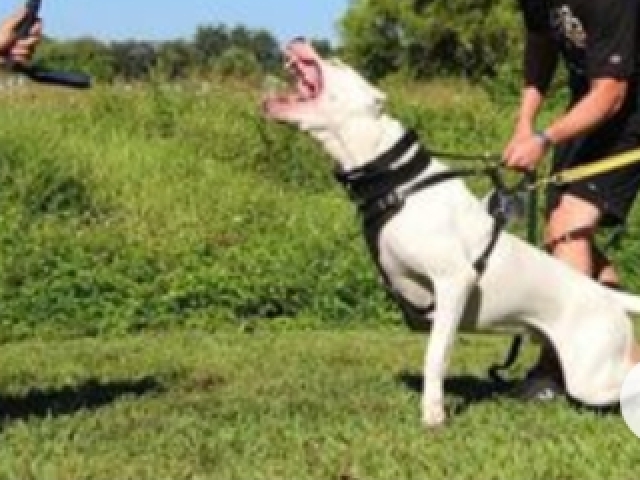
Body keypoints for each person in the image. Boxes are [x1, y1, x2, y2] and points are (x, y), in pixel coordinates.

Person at [503, 0, 640, 400]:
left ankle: (558, 366)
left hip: (628, 109)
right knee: (562, 233)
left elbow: (612, 94)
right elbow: (540, 50)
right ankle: (629, 364)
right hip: (590, 104)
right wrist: (524, 126)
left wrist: (545, 140)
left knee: (568, 228)